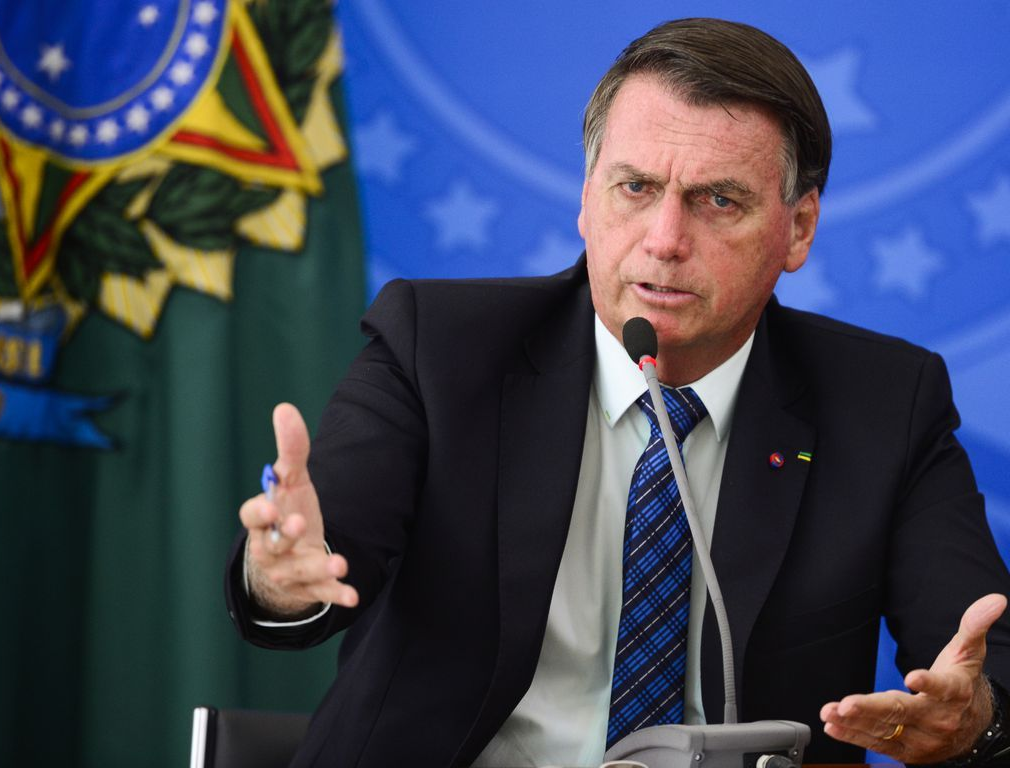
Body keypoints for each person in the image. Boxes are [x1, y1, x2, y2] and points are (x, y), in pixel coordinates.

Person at [225, 17, 1010, 768]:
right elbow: (322, 557)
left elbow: (981, 663)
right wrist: (280, 578)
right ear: (587, 198)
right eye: (635, 187)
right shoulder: (437, 348)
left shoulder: (885, 405)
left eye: (718, 200)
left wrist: (973, 719)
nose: (664, 240)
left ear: (799, 228)